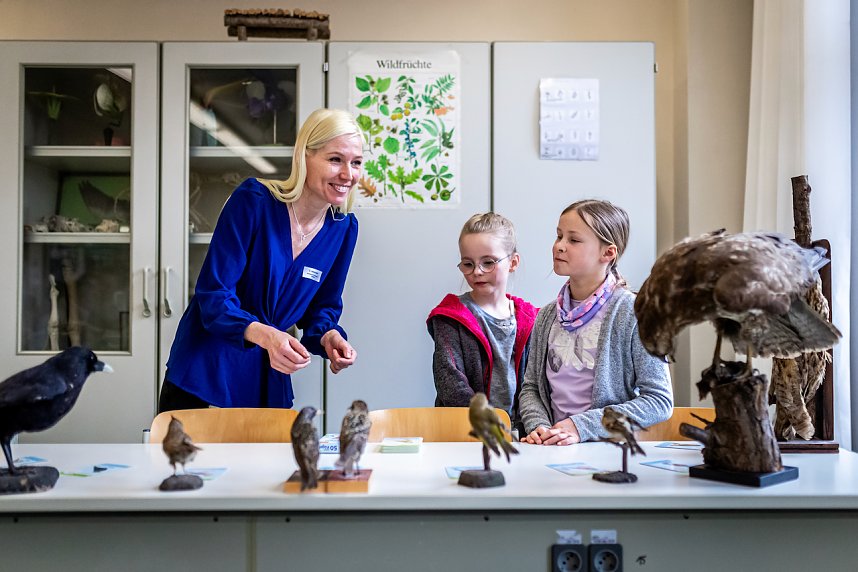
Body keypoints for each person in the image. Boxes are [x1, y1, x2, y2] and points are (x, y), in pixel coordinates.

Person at [159, 108, 362, 412]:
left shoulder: (343, 228)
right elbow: (213, 296)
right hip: (207, 370)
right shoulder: (254, 202)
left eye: (356, 162)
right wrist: (265, 336)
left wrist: (329, 336)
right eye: (335, 159)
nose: (348, 174)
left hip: (267, 378)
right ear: (304, 157)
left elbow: (322, 307)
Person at [519, 199, 673, 445]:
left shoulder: (635, 313)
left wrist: (580, 427)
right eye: (559, 236)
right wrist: (539, 427)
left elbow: (659, 401)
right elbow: (531, 389)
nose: (559, 246)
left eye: (573, 240)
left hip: (610, 451)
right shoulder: (547, 316)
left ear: (608, 253)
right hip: (552, 448)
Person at [427, 213, 538, 434]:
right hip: (465, 433)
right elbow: (451, 385)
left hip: (522, 436)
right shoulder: (450, 318)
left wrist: (533, 426)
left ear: (513, 262)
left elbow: (536, 385)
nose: (477, 271)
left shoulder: (533, 319)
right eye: (468, 264)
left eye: (488, 262)